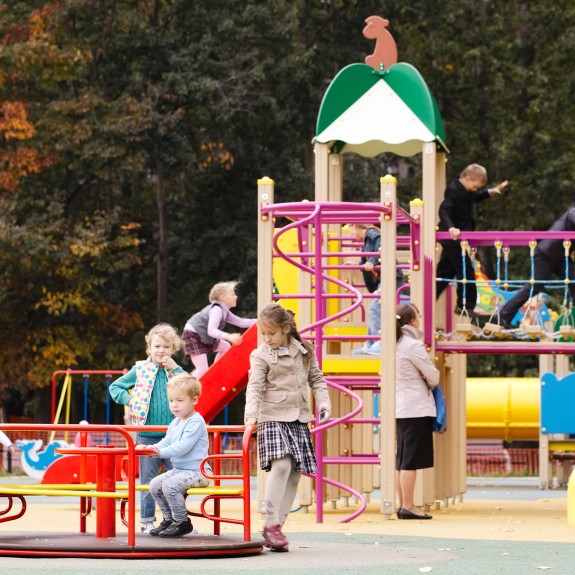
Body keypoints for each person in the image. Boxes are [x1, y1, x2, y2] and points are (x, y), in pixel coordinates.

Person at [244, 303, 331, 552]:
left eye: (271, 333)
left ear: (285, 329)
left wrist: (323, 403)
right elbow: (255, 388)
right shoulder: (260, 355)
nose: (266, 338)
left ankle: (276, 528)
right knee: (281, 465)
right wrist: (251, 416)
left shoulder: (304, 350)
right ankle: (270, 522)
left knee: (295, 472)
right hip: (271, 415)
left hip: (298, 417)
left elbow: (317, 379)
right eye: (263, 333)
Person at [109, 323, 185, 534]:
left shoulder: (175, 371)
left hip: (173, 436)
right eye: (157, 346)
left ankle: (178, 520)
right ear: (149, 348)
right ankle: (146, 520)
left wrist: (175, 368)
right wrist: (130, 400)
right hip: (147, 436)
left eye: (166, 347)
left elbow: (191, 385)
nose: (161, 351)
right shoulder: (140, 369)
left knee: (176, 479)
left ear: (173, 350)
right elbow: (115, 387)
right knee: (148, 481)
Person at [137, 372, 210, 537]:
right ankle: (169, 519)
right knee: (155, 485)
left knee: (169, 486)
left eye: (180, 400)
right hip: (180, 470)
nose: (174, 405)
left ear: (194, 400)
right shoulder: (176, 421)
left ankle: (182, 521)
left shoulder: (196, 422)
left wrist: (159, 452)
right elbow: (166, 441)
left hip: (198, 472)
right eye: (171, 401)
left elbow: (182, 446)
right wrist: (150, 448)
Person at [436, 164, 508, 317]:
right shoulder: (454, 190)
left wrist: (490, 192)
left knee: (445, 272)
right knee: (466, 270)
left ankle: (425, 301)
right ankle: (465, 305)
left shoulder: (466, 189)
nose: (475, 189)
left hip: (457, 237)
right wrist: (451, 227)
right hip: (453, 237)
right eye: (475, 186)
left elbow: (474, 197)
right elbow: (444, 209)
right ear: (468, 179)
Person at [395, 302, 440, 520]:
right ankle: (409, 505)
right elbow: (433, 376)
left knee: (402, 458)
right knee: (410, 460)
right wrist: (427, 379)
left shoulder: (393, 343)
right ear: (413, 321)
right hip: (416, 407)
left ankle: (402, 503)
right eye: (418, 316)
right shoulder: (412, 344)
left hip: (399, 406)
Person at [499, 206, 575, 328]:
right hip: (546, 254)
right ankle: (504, 314)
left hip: (560, 256)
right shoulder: (573, 211)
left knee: (574, 281)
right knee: (534, 287)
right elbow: (573, 216)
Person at [347, 223, 406, 355]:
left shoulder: (371, 233)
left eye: (350, 230)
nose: (351, 234)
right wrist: (359, 264)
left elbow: (382, 244)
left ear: (355, 226)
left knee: (375, 307)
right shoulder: (367, 241)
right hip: (385, 278)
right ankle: (369, 343)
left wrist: (372, 260)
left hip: (391, 277)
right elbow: (367, 258)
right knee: (374, 308)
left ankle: (380, 341)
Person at [182, 281, 257, 379]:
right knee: (202, 369)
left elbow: (241, 322)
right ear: (222, 297)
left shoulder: (224, 311)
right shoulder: (217, 310)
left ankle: (216, 370)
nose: (236, 297)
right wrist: (229, 336)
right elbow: (211, 331)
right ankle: (186, 388)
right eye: (233, 294)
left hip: (202, 335)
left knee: (225, 346)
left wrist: (260, 320)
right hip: (193, 334)